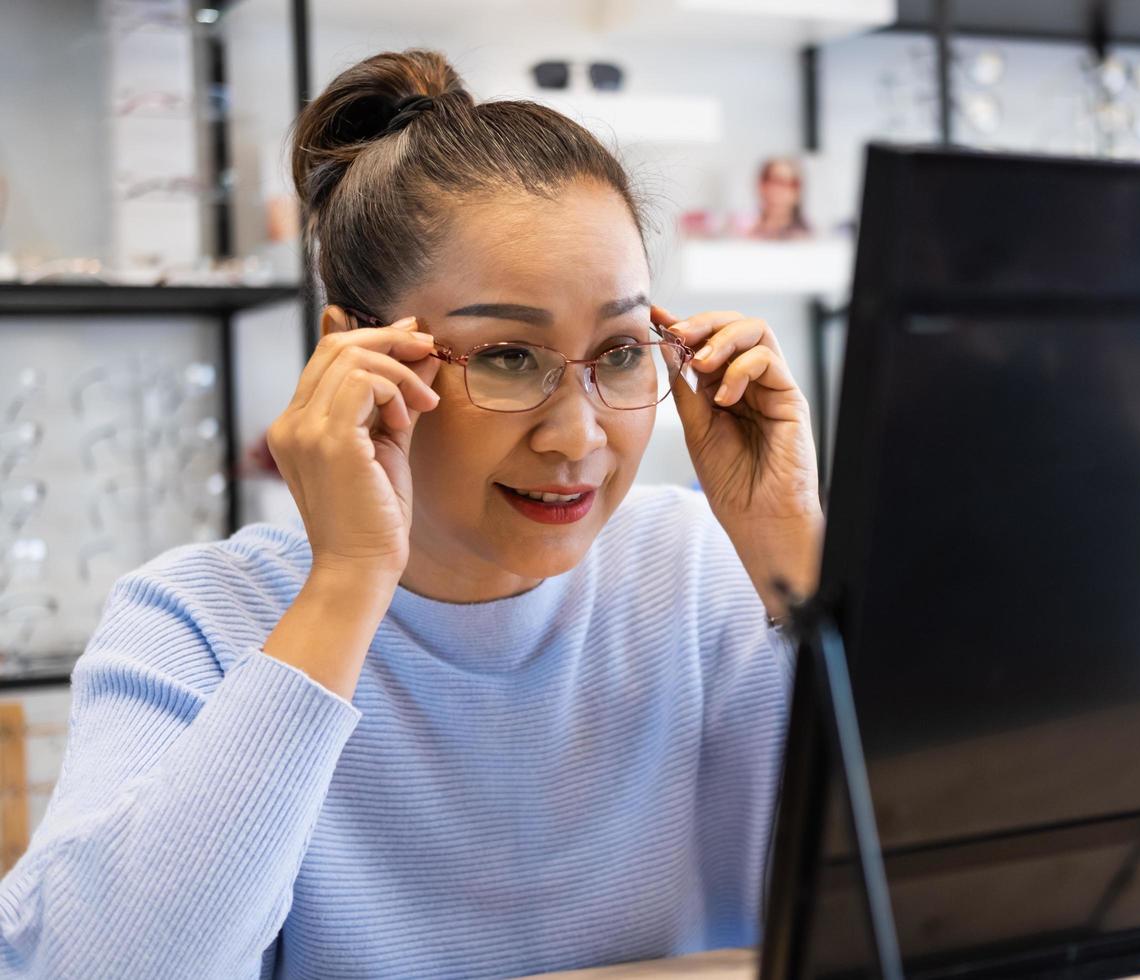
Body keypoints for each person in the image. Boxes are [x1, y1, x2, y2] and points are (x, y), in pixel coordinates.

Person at [0, 49, 822, 979]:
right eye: (509, 356)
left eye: (623, 349)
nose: (577, 436)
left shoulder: (704, 576)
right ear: (355, 359)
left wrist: (792, 546)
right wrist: (349, 580)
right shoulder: (195, 622)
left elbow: (941, 897)